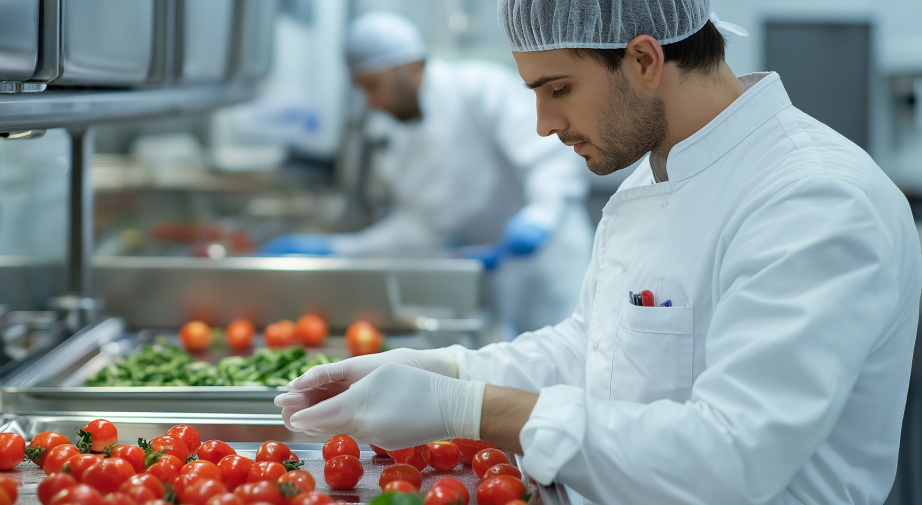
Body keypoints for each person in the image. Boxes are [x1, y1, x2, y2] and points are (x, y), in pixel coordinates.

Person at [275, 0, 922, 503]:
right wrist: (445, 367)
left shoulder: (814, 200)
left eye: (557, 89)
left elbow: (732, 459)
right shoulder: (656, 174)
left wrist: (471, 408)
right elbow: (590, 350)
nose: (543, 125)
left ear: (644, 60)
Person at [262, 11, 594, 335]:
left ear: (411, 67)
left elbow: (549, 161)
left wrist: (539, 219)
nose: (370, 103)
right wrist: (342, 250)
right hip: (482, 273)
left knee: (564, 368)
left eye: (372, 86)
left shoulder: (480, 89)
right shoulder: (395, 131)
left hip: (547, 266)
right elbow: (420, 227)